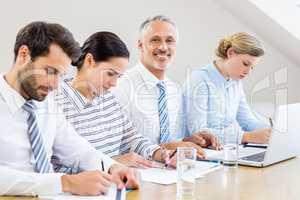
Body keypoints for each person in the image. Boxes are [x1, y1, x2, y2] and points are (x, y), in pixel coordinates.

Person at [0, 21, 138, 197]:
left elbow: (76, 148)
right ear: (24, 54)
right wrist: (64, 182)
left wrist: (112, 166)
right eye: (50, 71)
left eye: (61, 75)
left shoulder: (46, 103)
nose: (56, 85)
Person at [52, 31, 175, 169]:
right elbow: (53, 169)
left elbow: (130, 138)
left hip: (116, 184)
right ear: (89, 61)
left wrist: (159, 153)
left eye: (118, 76)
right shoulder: (56, 103)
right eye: (110, 74)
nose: (114, 83)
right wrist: (113, 163)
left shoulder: (107, 98)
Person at [112, 15, 219, 157]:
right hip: (137, 173)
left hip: (172, 169)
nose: (163, 47)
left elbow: (170, 140)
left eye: (169, 41)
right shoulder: (121, 86)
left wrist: (188, 141)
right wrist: (165, 148)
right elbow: (116, 148)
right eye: (155, 40)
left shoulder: (173, 89)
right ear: (140, 45)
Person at [182, 32, 271, 145]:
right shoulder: (199, 80)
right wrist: (245, 137)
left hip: (220, 150)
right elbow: (199, 132)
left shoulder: (235, 82)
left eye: (252, 67)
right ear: (230, 53)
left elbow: (247, 121)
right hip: (195, 153)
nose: (248, 72)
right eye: (245, 64)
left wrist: (273, 131)